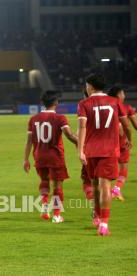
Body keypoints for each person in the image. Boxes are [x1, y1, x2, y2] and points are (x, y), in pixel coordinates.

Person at [77, 73, 132, 236]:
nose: (86, 88)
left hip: (91, 150)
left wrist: (80, 150)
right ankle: (104, 224)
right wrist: (129, 139)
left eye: (87, 86)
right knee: (105, 185)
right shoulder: (115, 102)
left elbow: (82, 127)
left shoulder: (84, 103)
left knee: (94, 185)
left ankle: (98, 217)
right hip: (109, 150)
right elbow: (126, 125)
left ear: (91, 87)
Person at [24, 91, 77, 223]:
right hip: (55, 157)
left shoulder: (33, 119)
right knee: (58, 185)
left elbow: (29, 141)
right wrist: (80, 144)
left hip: (39, 156)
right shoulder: (60, 118)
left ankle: (45, 208)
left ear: (43, 103)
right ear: (56, 102)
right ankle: (57, 215)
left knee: (44, 181)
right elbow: (69, 135)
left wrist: (26, 159)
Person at [107, 86, 137, 200]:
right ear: (119, 95)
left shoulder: (105, 108)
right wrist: (130, 139)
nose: (124, 96)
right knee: (123, 168)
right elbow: (134, 126)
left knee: (108, 168)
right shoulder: (127, 108)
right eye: (123, 93)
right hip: (123, 142)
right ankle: (116, 189)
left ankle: (107, 190)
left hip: (108, 143)